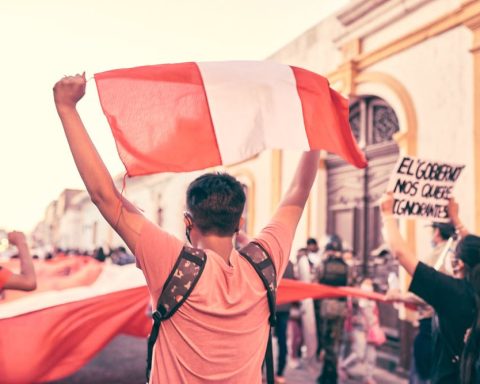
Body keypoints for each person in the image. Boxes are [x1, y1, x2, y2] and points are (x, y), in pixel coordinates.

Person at [53, 73, 321, 384]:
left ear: (188, 222)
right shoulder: (265, 261)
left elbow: (103, 196)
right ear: (239, 222)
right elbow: (298, 192)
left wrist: (66, 108)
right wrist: (314, 124)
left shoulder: (171, 262)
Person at [380, 193, 479, 384]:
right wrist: (456, 220)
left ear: (458, 264)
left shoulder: (452, 291)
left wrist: (387, 214)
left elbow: (401, 254)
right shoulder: (470, 290)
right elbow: (475, 251)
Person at [317, 234, 349, 384]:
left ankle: (327, 375)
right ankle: (331, 374)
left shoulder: (323, 264)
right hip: (341, 309)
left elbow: (315, 281)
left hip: (326, 307)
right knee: (336, 341)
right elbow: (351, 284)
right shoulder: (346, 266)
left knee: (326, 341)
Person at [274, 260, 295, 384]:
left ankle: (260, 371)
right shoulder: (290, 264)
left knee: (264, 341)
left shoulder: (269, 259)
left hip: (269, 306)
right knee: (282, 340)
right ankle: (280, 373)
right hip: (285, 306)